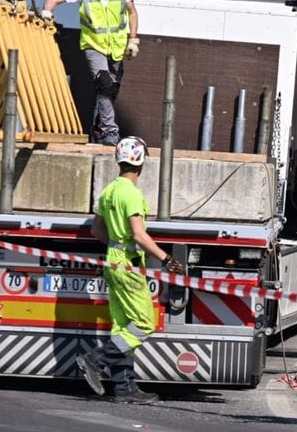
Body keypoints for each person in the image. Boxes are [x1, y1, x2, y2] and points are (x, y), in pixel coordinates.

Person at [76, 136, 183, 404]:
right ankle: (95, 360)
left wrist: (115, 244)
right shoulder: (131, 193)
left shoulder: (109, 191)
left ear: (119, 160)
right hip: (129, 263)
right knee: (144, 323)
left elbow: (96, 230)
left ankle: (124, 388)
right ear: (141, 163)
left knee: (123, 325)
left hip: (112, 260)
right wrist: (166, 257)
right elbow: (139, 234)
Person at [41, 0, 139, 146]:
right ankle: (110, 131)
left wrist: (133, 39)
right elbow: (52, 1)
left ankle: (99, 126)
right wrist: (47, 13)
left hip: (117, 47)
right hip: (93, 45)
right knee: (104, 83)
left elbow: (132, 12)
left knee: (111, 89)